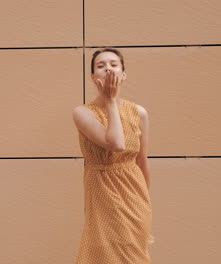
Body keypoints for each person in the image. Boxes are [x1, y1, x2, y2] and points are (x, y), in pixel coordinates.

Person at [72, 48, 155, 263]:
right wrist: (110, 102)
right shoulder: (82, 113)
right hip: (102, 191)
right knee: (102, 253)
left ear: (123, 74)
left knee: (134, 255)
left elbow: (142, 160)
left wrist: (146, 203)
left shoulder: (139, 113)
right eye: (101, 66)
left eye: (113, 64)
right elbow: (115, 143)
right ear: (93, 77)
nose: (108, 68)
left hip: (134, 194)